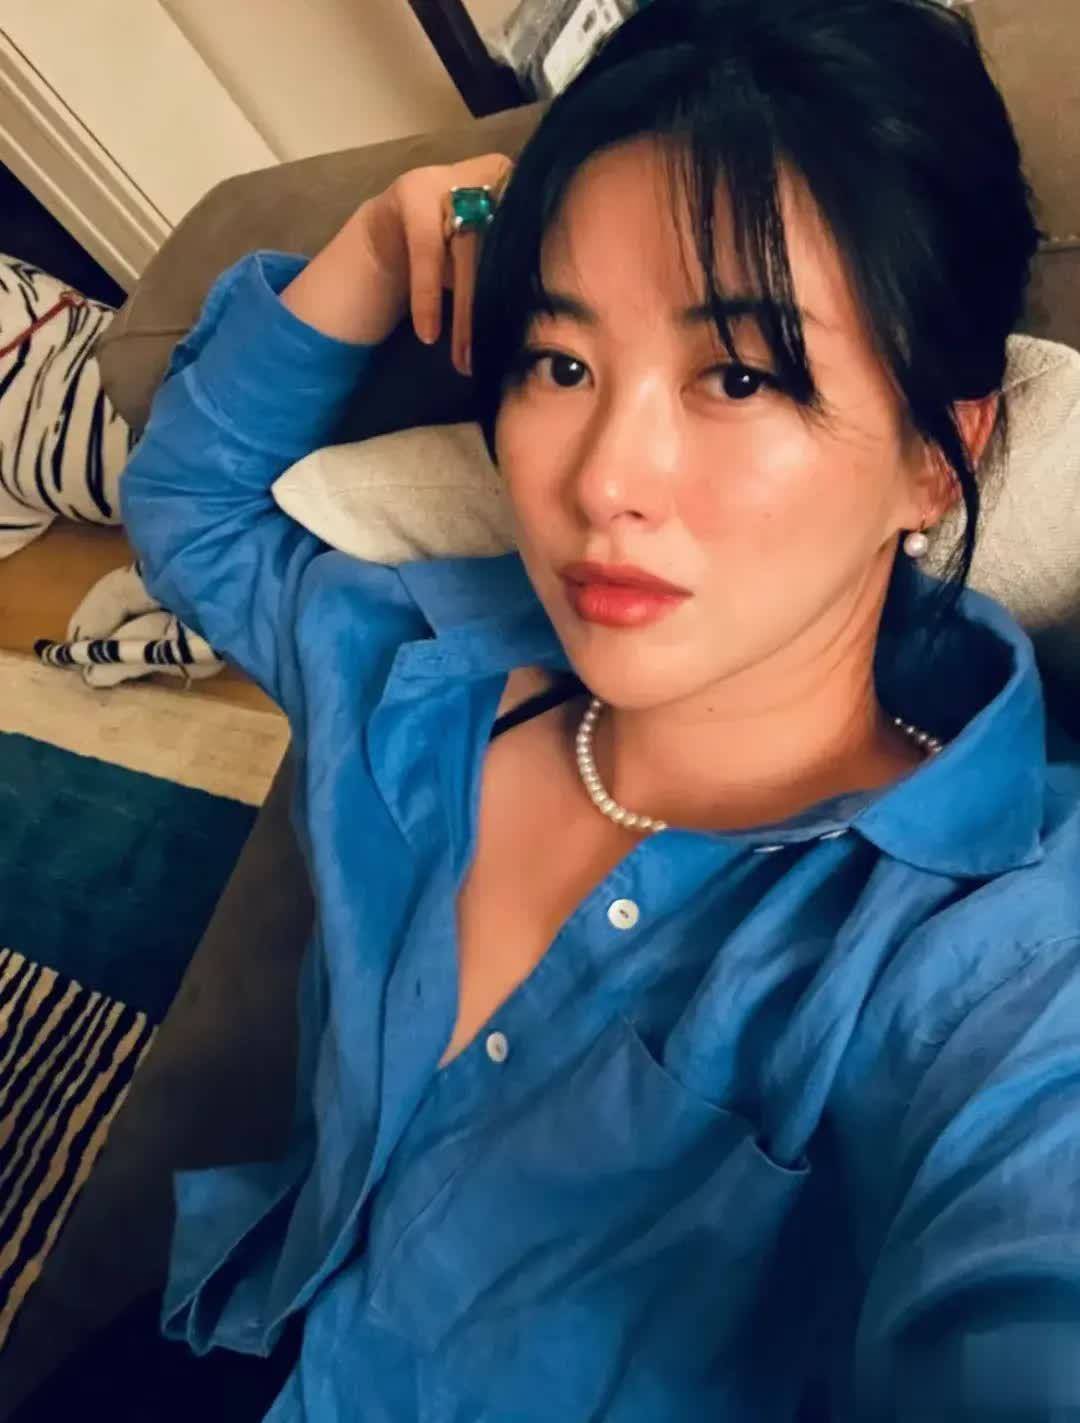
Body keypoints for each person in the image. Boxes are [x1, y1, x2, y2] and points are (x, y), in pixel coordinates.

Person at [116, 0, 1080, 1417]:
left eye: (739, 375)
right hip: (235, 1332)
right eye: (560, 364)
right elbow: (187, 508)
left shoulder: (994, 953)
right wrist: (381, 241)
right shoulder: (422, 671)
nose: (602, 481)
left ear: (941, 457)